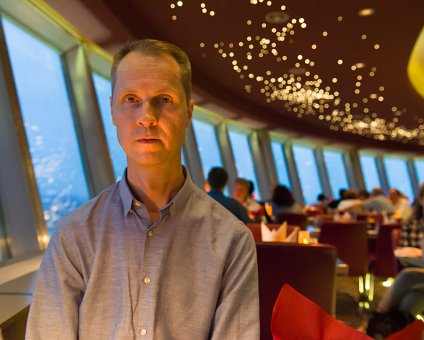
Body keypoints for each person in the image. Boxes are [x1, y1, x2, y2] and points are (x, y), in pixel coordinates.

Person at [26, 39, 259, 339]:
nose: (147, 117)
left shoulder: (232, 241)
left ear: (188, 113)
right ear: (112, 110)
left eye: (163, 99)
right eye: (131, 99)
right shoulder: (74, 237)